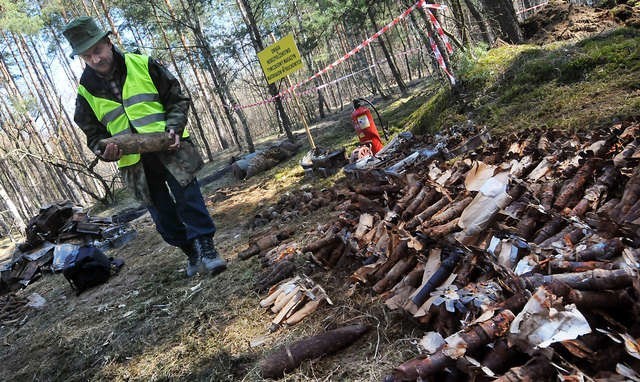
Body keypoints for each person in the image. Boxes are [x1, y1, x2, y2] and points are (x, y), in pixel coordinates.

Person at [62, 16, 226, 277]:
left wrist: (174, 127)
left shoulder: (143, 64)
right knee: (164, 218)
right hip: (134, 165)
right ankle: (190, 252)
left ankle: (208, 249)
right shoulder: (86, 93)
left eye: (97, 50)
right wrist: (103, 151)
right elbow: (93, 135)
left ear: (108, 41)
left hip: (170, 148)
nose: (95, 59)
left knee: (189, 201)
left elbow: (177, 98)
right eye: (86, 55)